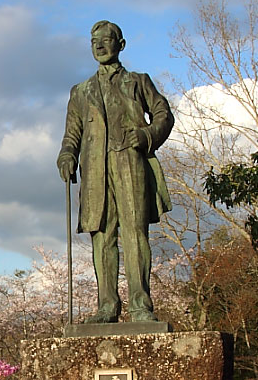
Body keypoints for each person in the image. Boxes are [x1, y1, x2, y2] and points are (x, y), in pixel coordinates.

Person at [57, 20, 173, 323]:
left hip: (129, 162)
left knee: (135, 232)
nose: (99, 45)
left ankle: (140, 305)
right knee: (102, 235)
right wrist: (67, 155)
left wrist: (147, 135)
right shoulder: (81, 91)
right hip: (95, 168)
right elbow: (73, 134)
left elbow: (163, 113)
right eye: (94, 41)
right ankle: (107, 306)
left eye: (106, 40)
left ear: (120, 45)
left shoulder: (137, 81)